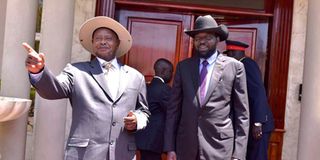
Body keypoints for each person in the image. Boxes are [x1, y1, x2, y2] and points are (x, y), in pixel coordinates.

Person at [22, 16, 150, 160]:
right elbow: (53, 89)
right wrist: (38, 71)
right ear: (92, 43)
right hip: (84, 155)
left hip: (123, 154)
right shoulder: (76, 71)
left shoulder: (136, 77)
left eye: (108, 38)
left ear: (117, 43)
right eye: (97, 38)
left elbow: (144, 111)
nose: (102, 41)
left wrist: (137, 120)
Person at [164, 15, 250, 160]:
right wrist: (170, 147)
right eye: (197, 38)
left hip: (220, 148)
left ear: (217, 39)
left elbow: (242, 114)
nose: (202, 42)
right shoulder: (183, 67)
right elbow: (173, 109)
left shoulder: (234, 67)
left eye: (208, 37)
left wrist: (239, 155)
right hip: (186, 147)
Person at [224, 40, 275, 160]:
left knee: (257, 157)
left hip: (258, 125)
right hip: (250, 124)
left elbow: (258, 93)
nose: (227, 57)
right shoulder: (241, 65)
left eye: (228, 54)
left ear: (233, 53)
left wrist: (258, 122)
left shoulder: (247, 65)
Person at [135, 58, 173, 160]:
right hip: (154, 141)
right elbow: (172, 113)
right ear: (164, 71)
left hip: (142, 138)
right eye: (171, 71)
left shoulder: (145, 87)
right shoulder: (164, 89)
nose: (172, 75)